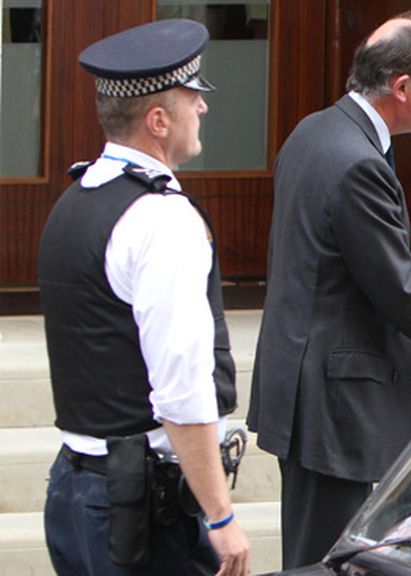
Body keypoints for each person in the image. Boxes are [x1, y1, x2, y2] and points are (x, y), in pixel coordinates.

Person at [247, 12, 411, 568]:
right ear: (403, 87)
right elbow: (399, 291)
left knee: (321, 554)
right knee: (327, 561)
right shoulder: (356, 160)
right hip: (334, 407)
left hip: (308, 393)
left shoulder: (315, 131)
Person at [37, 19, 250, 576]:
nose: (202, 109)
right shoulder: (161, 219)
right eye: (191, 99)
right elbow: (181, 390)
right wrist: (221, 517)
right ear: (158, 121)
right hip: (140, 507)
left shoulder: (74, 199)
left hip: (75, 489)